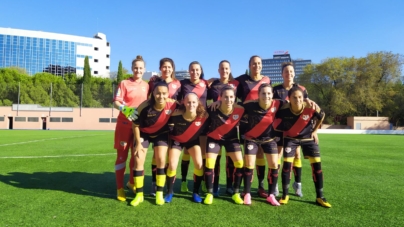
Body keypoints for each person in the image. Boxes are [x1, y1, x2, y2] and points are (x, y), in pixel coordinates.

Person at [273, 86, 331, 208]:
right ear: (289, 98)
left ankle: (320, 197)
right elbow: (274, 118)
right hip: (291, 139)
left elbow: (322, 115)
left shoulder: (310, 106)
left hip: (308, 139)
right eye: (294, 97)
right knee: (287, 166)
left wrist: (315, 131)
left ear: (303, 98)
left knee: (317, 167)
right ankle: (285, 195)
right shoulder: (283, 109)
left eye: (300, 97)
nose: (297, 100)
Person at [130, 82, 177, 206]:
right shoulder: (144, 106)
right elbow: (135, 124)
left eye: (164, 93)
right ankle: (139, 195)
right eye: (158, 93)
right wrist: (138, 144)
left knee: (161, 159)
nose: (161, 96)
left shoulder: (173, 104)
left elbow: (188, 107)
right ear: (153, 94)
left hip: (161, 134)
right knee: (138, 160)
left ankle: (159, 193)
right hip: (144, 134)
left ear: (168, 94)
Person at [112, 55, 149, 201]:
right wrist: (126, 110)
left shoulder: (147, 85)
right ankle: (119, 188)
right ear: (132, 69)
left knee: (137, 156)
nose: (138, 70)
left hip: (139, 126)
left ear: (144, 69)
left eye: (140, 68)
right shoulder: (124, 83)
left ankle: (132, 183)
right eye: (135, 68)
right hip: (124, 125)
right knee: (122, 156)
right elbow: (115, 102)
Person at [242, 83, 284, 206]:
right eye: (263, 93)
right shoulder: (249, 105)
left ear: (272, 95)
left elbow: (293, 102)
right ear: (258, 95)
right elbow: (234, 106)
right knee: (249, 164)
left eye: (269, 93)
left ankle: (271, 195)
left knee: (274, 164)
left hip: (269, 139)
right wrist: (216, 103)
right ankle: (247, 193)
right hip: (252, 139)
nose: (266, 96)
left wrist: (307, 100)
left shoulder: (278, 104)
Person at [235, 55, 271, 198]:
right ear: (249, 65)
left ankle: (261, 186)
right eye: (254, 64)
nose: (257, 66)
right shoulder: (241, 80)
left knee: (261, 153)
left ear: (261, 65)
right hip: (246, 123)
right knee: (248, 156)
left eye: (259, 63)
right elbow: (231, 93)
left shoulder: (267, 80)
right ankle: (247, 188)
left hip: (262, 123)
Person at [272, 62, 310, 197]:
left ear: (294, 73)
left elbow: (308, 109)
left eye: (291, 71)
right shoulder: (275, 90)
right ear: (282, 74)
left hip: (295, 129)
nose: (289, 74)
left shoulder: (301, 89)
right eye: (286, 71)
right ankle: (275, 184)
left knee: (297, 155)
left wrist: (313, 131)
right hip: (280, 129)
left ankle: (297, 184)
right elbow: (272, 110)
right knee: (278, 155)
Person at [204, 85, 245, 205]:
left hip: (231, 139)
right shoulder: (212, 108)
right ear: (220, 97)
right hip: (214, 139)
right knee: (209, 163)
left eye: (231, 97)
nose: (229, 100)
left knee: (240, 163)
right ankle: (210, 193)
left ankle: (236, 193)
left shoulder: (240, 109)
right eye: (225, 97)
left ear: (235, 98)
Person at [165, 93, 209, 203]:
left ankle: (196, 192)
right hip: (177, 141)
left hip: (193, 142)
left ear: (198, 102)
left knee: (199, 164)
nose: (191, 104)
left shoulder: (204, 115)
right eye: (188, 102)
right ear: (184, 102)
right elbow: (165, 123)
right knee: (172, 164)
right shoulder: (175, 114)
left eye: (194, 102)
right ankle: (169, 192)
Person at [148, 58, 181, 196]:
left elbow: (181, 102)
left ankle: (167, 187)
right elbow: (148, 100)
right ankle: (154, 184)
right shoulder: (153, 82)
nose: (167, 69)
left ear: (173, 69)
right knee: (157, 156)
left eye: (169, 67)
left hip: (172, 125)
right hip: (157, 125)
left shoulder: (178, 84)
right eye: (164, 67)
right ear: (160, 68)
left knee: (169, 158)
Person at [207, 60, 239, 196]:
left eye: (227, 68)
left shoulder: (237, 84)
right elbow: (204, 97)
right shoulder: (213, 84)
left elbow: (243, 99)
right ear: (218, 70)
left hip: (231, 125)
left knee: (231, 159)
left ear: (230, 70)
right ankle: (215, 186)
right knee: (216, 159)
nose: (224, 71)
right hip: (216, 125)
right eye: (222, 68)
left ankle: (230, 185)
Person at [177, 61, 210, 193]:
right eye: (192, 70)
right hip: (187, 123)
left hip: (202, 123)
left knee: (202, 153)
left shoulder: (206, 84)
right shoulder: (183, 84)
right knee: (186, 152)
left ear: (201, 71)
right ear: (189, 71)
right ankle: (184, 181)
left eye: (197, 70)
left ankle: (200, 182)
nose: (194, 72)